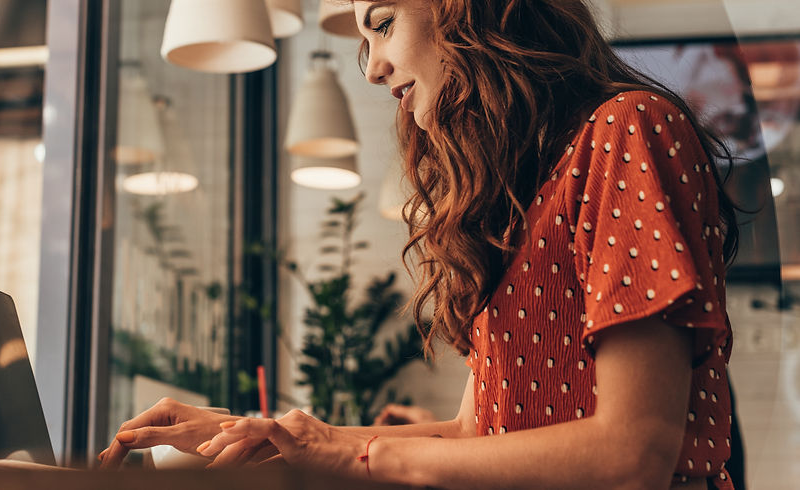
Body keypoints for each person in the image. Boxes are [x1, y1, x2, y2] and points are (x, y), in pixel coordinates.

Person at [101, 1, 742, 488]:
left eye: (382, 23)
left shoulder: (626, 129)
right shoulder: (522, 193)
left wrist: (354, 451)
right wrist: (267, 435)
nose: (374, 67)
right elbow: (477, 432)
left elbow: (635, 452)